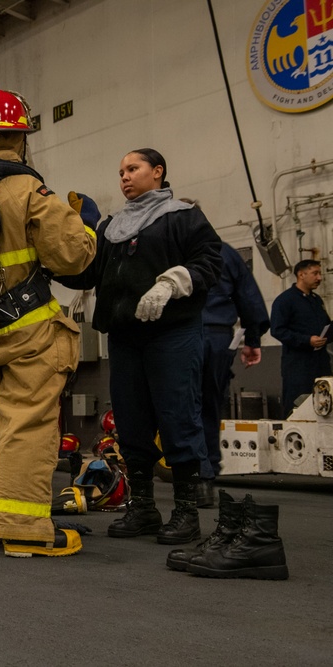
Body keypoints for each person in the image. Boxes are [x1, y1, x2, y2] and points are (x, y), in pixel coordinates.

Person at [0, 90, 97, 557]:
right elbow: (71, 257)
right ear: (19, 137)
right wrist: (84, 223)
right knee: (25, 423)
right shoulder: (29, 189)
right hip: (27, 327)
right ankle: (23, 530)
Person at [59, 148, 221, 546]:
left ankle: (185, 512)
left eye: (133, 169)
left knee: (178, 418)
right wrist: (54, 257)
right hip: (125, 337)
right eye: (120, 172)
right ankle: (143, 509)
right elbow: (89, 274)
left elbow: (211, 261)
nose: (125, 177)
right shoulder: (112, 226)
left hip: (172, 334)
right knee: (130, 423)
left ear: (158, 172)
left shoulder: (183, 216)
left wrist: (172, 281)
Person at [200, 238, 269, 491]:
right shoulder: (224, 251)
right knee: (210, 404)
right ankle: (206, 476)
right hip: (218, 336)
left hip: (177, 335)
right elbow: (249, 298)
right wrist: (252, 339)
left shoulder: (168, 246)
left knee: (179, 406)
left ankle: (187, 475)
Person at [270, 259, 331, 417]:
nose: (319, 277)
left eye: (319, 273)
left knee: (324, 406)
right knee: (297, 407)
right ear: (301, 274)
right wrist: (307, 340)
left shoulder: (316, 301)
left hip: (320, 365)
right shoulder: (285, 301)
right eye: (315, 273)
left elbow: (327, 326)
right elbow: (277, 330)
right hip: (298, 367)